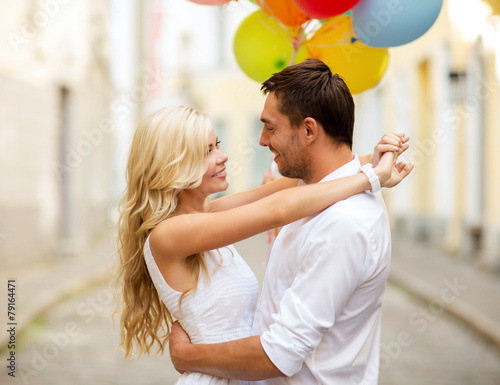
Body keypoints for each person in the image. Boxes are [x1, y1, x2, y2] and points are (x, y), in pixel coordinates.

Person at [167, 59, 413, 385]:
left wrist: (186, 356)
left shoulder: (344, 223)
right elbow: (266, 201)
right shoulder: (313, 191)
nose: (262, 141)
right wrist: (369, 167)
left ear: (309, 130)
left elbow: (278, 355)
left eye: (271, 127)